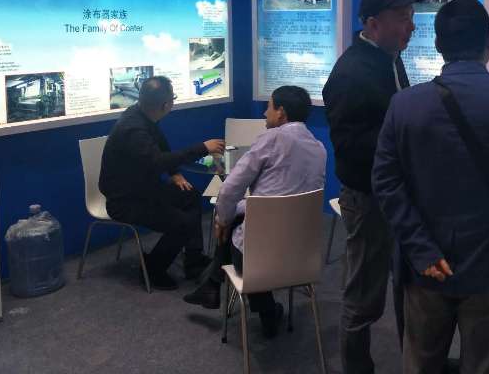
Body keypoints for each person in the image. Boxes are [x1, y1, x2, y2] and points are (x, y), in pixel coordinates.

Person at [372, 0, 489, 374]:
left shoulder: (405, 104)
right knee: (485, 363)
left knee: (421, 360)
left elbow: (385, 181)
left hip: (426, 262)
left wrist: (421, 248)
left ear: (437, 45)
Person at [322, 0, 426, 374]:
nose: (411, 26)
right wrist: (402, 140)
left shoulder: (389, 58)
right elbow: (349, 146)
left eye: (411, 17)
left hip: (396, 194)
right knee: (363, 294)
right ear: (372, 24)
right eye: (402, 18)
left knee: (405, 283)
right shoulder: (351, 73)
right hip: (369, 198)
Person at [183, 85, 326, 338]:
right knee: (238, 217)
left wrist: (221, 220)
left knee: (230, 222)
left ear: (281, 112)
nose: (264, 113)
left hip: (257, 259)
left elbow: (230, 189)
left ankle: (255, 305)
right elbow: (283, 198)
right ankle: (214, 287)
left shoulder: (271, 140)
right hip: (302, 255)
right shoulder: (319, 149)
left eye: (268, 107)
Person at [99, 76, 225, 290]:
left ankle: (193, 260)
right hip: (125, 200)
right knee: (182, 223)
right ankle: (152, 269)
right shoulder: (134, 129)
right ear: (166, 105)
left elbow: (159, 146)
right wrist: (203, 148)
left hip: (142, 189)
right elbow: (157, 160)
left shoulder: (141, 115)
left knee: (190, 195)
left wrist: (174, 173)